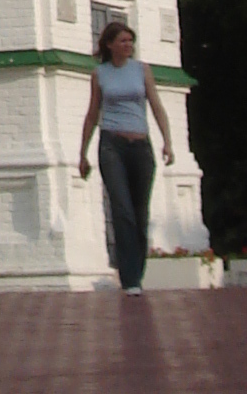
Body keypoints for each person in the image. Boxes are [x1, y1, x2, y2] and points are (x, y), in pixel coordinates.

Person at [79, 19, 175, 293]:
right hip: (112, 145)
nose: (128, 45)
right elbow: (92, 113)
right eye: (123, 41)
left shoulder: (142, 70)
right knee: (122, 210)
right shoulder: (100, 74)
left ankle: (137, 272)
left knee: (140, 211)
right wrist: (82, 153)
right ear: (109, 45)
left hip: (141, 146)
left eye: (130, 41)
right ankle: (130, 279)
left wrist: (167, 142)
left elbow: (156, 106)